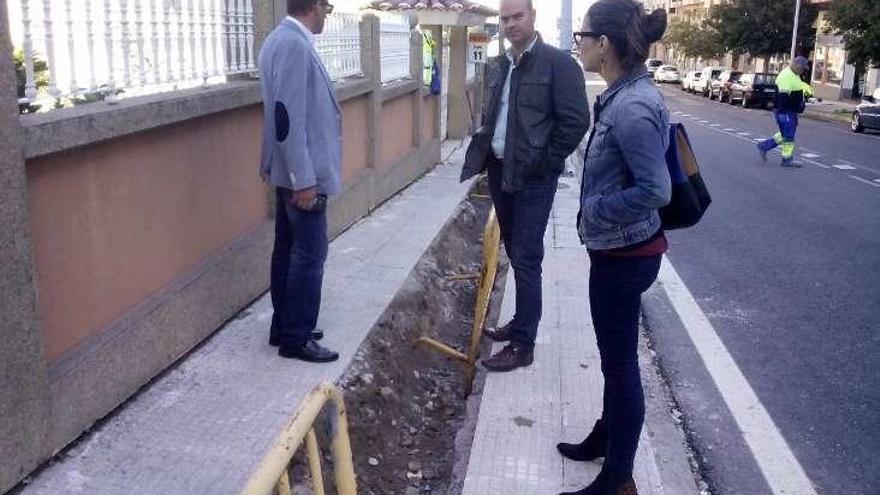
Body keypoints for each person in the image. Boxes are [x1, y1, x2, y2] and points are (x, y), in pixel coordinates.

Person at [556, 1, 670, 494]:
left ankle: (619, 480)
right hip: (617, 252)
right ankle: (607, 437)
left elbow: (655, 190)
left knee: (621, 367)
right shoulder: (621, 94)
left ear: (604, 44)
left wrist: (594, 213)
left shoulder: (633, 106)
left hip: (626, 256)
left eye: (583, 34)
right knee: (613, 359)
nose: (577, 42)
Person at [461, 0, 590, 373]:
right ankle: (520, 322)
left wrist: (544, 163)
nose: (510, 24)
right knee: (515, 254)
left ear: (533, 17)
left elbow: (576, 121)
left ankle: (524, 344)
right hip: (502, 172)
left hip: (533, 178)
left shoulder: (558, 65)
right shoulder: (502, 64)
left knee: (527, 257)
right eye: (505, 18)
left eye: (518, 16)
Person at [259, 0, 341, 363]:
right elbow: (285, 115)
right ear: (316, 6)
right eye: (328, 6)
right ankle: (297, 336)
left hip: (287, 170)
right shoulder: (293, 43)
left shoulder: (278, 38)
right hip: (302, 174)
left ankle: (285, 324)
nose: (328, 13)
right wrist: (303, 179)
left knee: (287, 250)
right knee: (310, 254)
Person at [757, 56, 813, 167]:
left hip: (790, 110)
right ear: (796, 65)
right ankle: (787, 159)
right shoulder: (786, 76)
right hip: (785, 110)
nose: (803, 70)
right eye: (802, 68)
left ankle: (764, 146)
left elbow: (795, 91)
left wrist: (800, 103)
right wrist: (782, 113)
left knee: (785, 133)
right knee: (788, 135)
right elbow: (783, 96)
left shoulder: (794, 75)